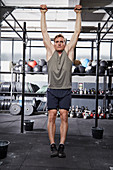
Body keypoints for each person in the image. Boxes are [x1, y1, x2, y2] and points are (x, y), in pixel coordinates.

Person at [40, 4, 82, 158]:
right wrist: (43, 13)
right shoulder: (50, 52)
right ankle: (53, 145)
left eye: (61, 41)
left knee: (64, 115)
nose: (59, 43)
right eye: (56, 41)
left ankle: (62, 145)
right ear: (54, 43)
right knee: (51, 116)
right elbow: (44, 32)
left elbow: (77, 32)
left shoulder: (69, 53)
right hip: (52, 89)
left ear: (65, 43)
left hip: (65, 90)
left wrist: (78, 13)